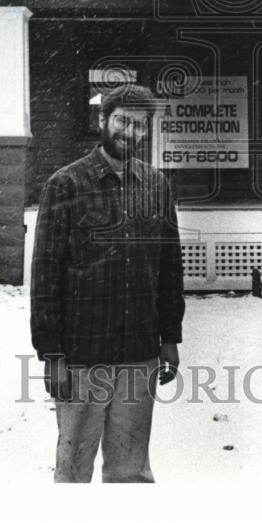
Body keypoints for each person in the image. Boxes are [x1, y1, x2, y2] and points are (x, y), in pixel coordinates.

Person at [30, 84, 184, 483]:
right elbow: (45, 275)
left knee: (131, 471)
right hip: (83, 356)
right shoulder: (65, 185)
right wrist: (52, 354)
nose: (128, 132)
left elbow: (169, 269)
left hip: (139, 352)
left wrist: (170, 337)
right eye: (121, 121)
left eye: (138, 125)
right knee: (74, 470)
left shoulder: (156, 186)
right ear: (103, 120)